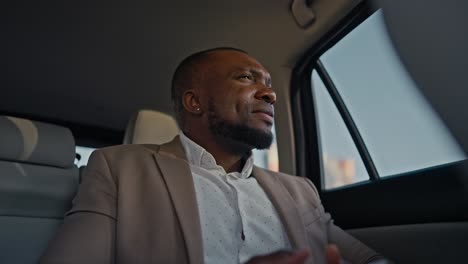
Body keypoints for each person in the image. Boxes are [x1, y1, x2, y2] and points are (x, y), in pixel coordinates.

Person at [40, 48, 384, 264]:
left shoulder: (299, 190)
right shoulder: (118, 169)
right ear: (195, 102)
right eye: (247, 78)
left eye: (268, 83)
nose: (270, 94)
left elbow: (364, 257)